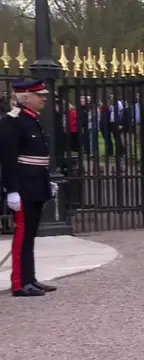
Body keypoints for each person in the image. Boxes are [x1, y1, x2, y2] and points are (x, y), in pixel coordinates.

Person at [0, 80, 58, 297]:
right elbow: (8, 159)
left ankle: (29, 277)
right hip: (23, 186)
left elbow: (37, 157)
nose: (44, 98)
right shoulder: (12, 122)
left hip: (35, 183)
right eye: (39, 95)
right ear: (26, 97)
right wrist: (11, 190)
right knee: (23, 234)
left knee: (30, 234)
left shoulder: (32, 120)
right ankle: (19, 282)